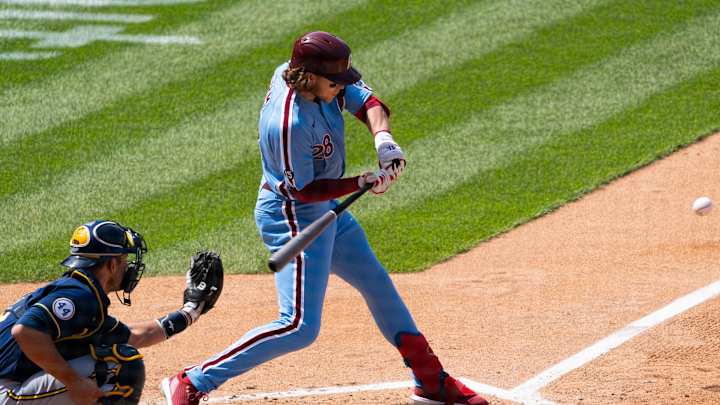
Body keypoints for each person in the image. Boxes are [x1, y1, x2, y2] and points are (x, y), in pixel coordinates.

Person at [161, 31, 488, 405]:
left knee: (377, 284)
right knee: (298, 325)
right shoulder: (289, 124)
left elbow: (367, 101)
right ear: (311, 77)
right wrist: (360, 182)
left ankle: (430, 379)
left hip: (325, 208)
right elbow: (304, 190)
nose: (341, 87)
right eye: (335, 82)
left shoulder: (316, 79)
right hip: (292, 215)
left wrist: (384, 140)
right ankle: (192, 380)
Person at [0, 220, 215, 404]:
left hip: (10, 384)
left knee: (102, 353)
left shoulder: (80, 291)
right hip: (5, 392)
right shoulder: (79, 296)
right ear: (112, 264)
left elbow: (136, 335)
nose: (128, 268)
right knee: (122, 365)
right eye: (124, 261)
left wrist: (191, 311)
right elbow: (24, 331)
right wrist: (73, 382)